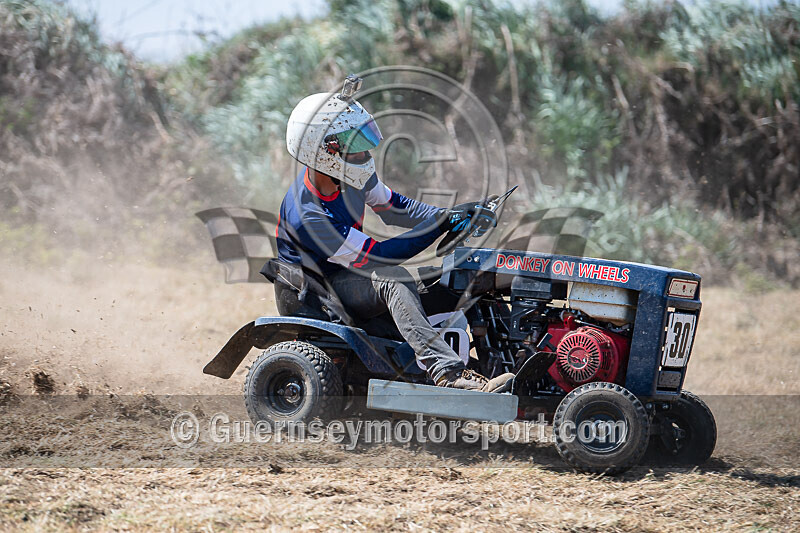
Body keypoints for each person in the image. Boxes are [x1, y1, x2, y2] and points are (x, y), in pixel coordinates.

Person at [273, 78, 513, 393]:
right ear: (325, 150)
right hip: (317, 292)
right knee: (394, 279)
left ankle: (509, 364)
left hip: (350, 277)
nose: (365, 152)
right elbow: (378, 257)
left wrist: (452, 215)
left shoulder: (350, 175)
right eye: (354, 144)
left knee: (463, 277)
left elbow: (397, 208)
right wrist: (439, 225)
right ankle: (447, 372)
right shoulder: (309, 215)